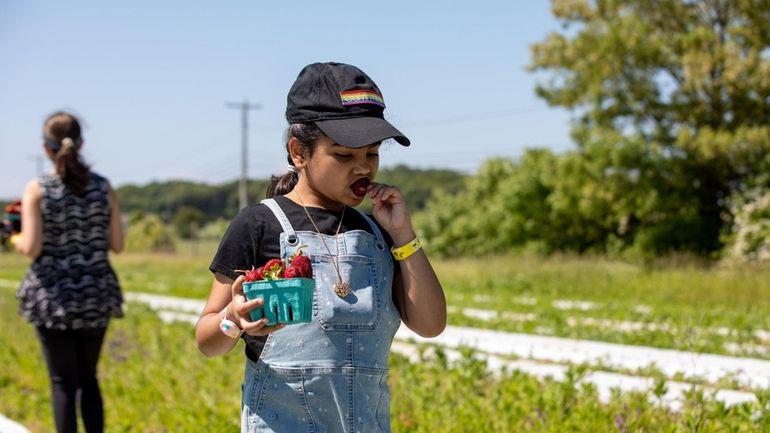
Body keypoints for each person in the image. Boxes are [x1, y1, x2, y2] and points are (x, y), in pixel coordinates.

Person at [195, 62, 447, 433]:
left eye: (372, 153)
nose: (363, 168)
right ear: (299, 152)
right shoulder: (257, 225)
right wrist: (233, 319)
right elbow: (207, 340)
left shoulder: (377, 233)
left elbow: (430, 325)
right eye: (344, 156)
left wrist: (404, 237)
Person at [15, 111, 124, 433]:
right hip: (95, 294)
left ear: (45, 147)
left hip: (53, 297)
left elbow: (32, 246)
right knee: (88, 378)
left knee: (62, 382)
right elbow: (117, 244)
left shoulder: (38, 189)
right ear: (81, 143)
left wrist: (16, 237)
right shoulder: (103, 187)